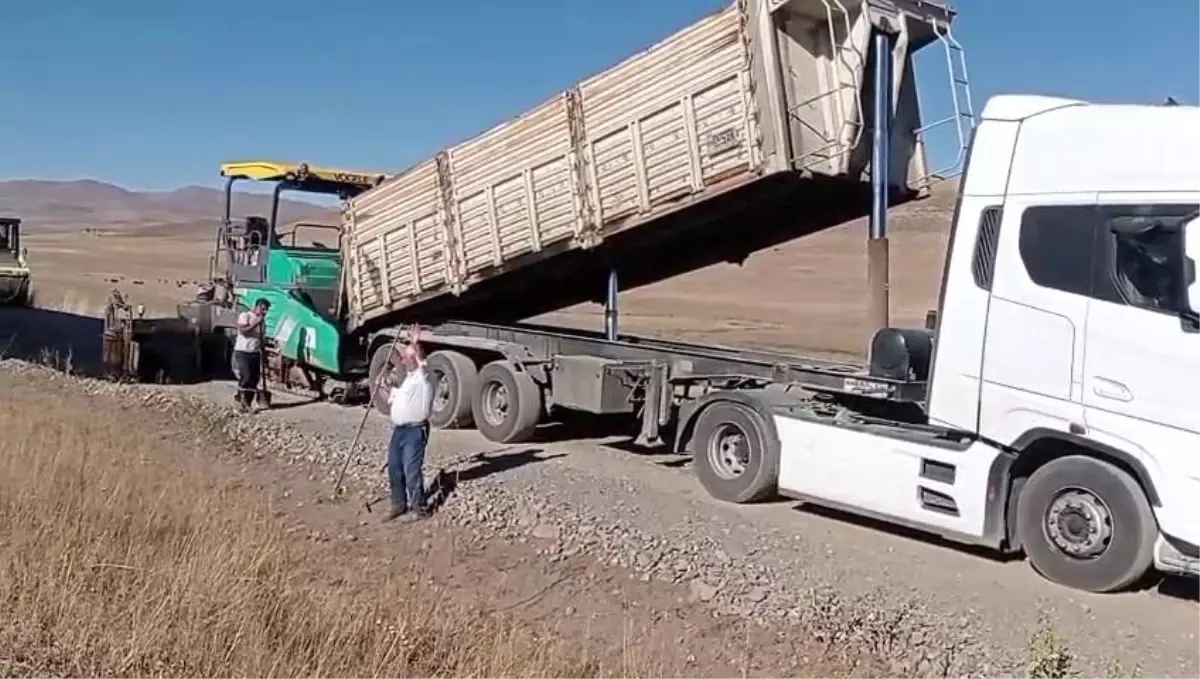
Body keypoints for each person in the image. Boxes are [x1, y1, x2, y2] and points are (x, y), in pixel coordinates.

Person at [380, 325, 435, 522]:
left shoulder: (425, 378)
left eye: (405, 357)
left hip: (414, 430)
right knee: (394, 467)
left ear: (415, 359)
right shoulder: (409, 380)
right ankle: (398, 504)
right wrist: (386, 387)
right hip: (399, 430)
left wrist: (415, 344)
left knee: (411, 469)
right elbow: (397, 399)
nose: (402, 361)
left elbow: (424, 366)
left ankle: (419, 508)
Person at [233, 298, 270, 413]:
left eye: (266, 310)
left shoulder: (262, 322)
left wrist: (264, 354)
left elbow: (261, 339)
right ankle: (239, 401)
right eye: (262, 309)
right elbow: (243, 331)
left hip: (254, 352)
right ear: (257, 306)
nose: (264, 312)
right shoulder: (246, 316)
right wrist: (255, 323)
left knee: (254, 379)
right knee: (246, 376)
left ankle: (247, 403)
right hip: (243, 351)